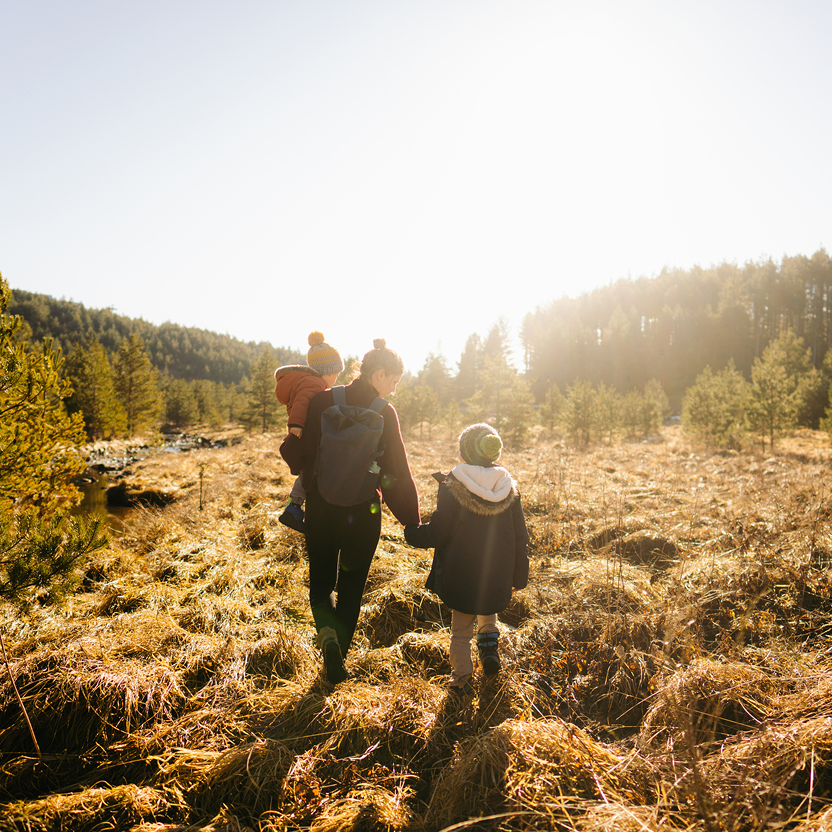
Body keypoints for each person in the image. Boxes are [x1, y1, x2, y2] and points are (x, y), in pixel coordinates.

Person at [282, 338, 420, 683]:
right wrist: (413, 522)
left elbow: (302, 454)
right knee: (352, 588)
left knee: (321, 583)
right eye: (394, 381)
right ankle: (338, 658)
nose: (394, 389)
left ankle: (326, 636)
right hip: (363, 513)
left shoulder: (322, 400)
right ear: (380, 373)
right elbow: (396, 474)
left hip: (321, 508)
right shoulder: (385, 413)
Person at [404, 423, 529, 695]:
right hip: (496, 573)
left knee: (460, 631)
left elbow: (440, 531)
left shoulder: (453, 484)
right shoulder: (507, 487)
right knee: (488, 614)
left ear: (464, 452)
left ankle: (461, 680)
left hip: (460, 573)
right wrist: (519, 576)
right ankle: (489, 654)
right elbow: (521, 536)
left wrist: (413, 534)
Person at [275, 331, 344, 533]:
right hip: (302, 432)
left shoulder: (312, 381)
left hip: (303, 430)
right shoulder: (313, 383)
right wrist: (296, 424)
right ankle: (293, 509)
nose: (335, 378)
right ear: (324, 371)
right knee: (309, 471)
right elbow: (302, 403)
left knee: (308, 471)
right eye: (334, 374)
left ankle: (294, 508)